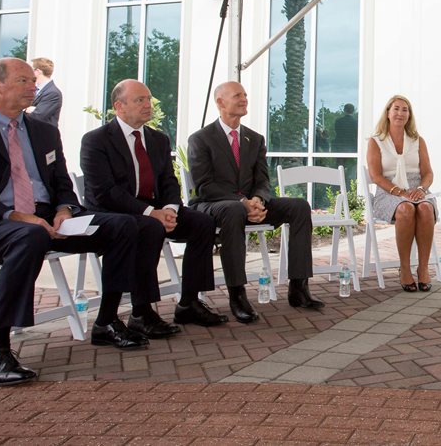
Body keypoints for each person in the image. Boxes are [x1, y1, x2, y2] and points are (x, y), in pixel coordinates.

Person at [0, 59, 148, 386]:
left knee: (124, 225)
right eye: (23, 81)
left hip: (49, 219)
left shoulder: (44, 131)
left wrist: (65, 209)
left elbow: (62, 182)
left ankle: (106, 322)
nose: (33, 88)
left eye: (32, 81)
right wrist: (16, 215)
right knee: (29, 236)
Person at [79, 80, 228, 336]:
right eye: (140, 100)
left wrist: (169, 208)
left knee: (202, 223)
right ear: (119, 106)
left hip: (155, 210)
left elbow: (169, 181)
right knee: (149, 227)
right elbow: (105, 192)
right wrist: (151, 213)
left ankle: (188, 302)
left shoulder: (158, 139)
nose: (148, 105)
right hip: (114, 212)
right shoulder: (96, 140)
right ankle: (141, 311)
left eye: (149, 99)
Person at [187, 81, 322, 323]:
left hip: (248, 205)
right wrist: (242, 202)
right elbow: (205, 185)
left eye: (246, 95)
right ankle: (237, 295)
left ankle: (299, 288)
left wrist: (258, 199)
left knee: (299, 206)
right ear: (220, 102)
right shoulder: (201, 139)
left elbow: (263, 179)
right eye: (237, 95)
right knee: (233, 210)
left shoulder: (254, 139)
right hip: (213, 205)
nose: (244, 99)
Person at [366, 95, 438, 292]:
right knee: (406, 209)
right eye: (396, 109)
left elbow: (428, 173)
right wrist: (399, 192)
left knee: (424, 208)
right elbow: (376, 176)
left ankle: (423, 269)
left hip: (417, 189)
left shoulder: (418, 141)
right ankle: (405, 269)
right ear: (388, 113)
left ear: (409, 115)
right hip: (388, 191)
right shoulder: (375, 141)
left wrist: (421, 189)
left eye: (405, 109)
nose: (400, 113)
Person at [27, 57, 62, 127]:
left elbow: (37, 116)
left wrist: (26, 110)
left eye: (30, 70)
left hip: (44, 135)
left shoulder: (52, 93)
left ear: (38, 71)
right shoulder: (36, 89)